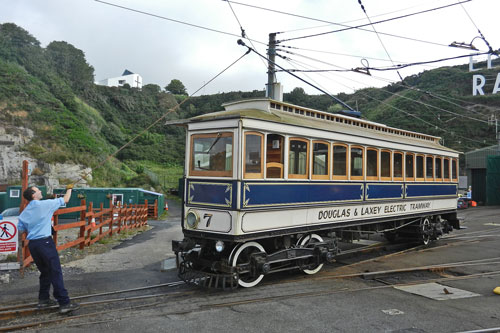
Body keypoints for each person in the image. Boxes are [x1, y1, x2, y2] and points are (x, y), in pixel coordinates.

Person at [18, 185, 80, 314]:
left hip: (33, 245)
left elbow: (21, 229)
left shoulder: (24, 212)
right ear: (33, 195)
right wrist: (69, 189)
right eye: (38, 190)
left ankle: (44, 300)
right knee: (55, 271)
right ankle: (64, 303)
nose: (41, 191)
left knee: (45, 272)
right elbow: (66, 200)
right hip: (45, 242)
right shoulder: (45, 205)